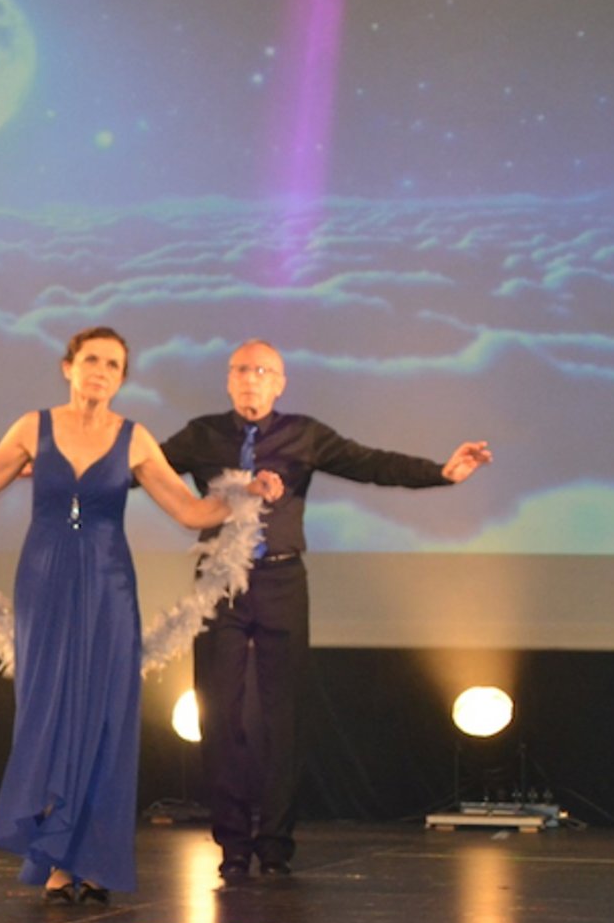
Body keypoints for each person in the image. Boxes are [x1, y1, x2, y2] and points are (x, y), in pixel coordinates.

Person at [0, 326, 280, 902]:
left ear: (121, 378)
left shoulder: (134, 438)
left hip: (108, 585)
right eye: (91, 359)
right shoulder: (33, 426)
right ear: (68, 367)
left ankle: (93, 861)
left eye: (113, 365)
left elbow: (192, 512)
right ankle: (54, 858)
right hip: (44, 579)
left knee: (103, 715)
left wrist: (248, 492)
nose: (100, 371)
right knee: (47, 711)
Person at [158, 339, 491, 881]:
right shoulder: (203, 434)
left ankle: (274, 845)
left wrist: (442, 472)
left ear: (279, 383)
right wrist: (61, 469)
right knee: (217, 713)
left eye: (262, 371)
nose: (250, 379)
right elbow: (143, 469)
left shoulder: (304, 433)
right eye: (241, 370)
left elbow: (370, 463)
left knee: (283, 716)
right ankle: (233, 845)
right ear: (228, 379)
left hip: (281, 578)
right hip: (218, 582)